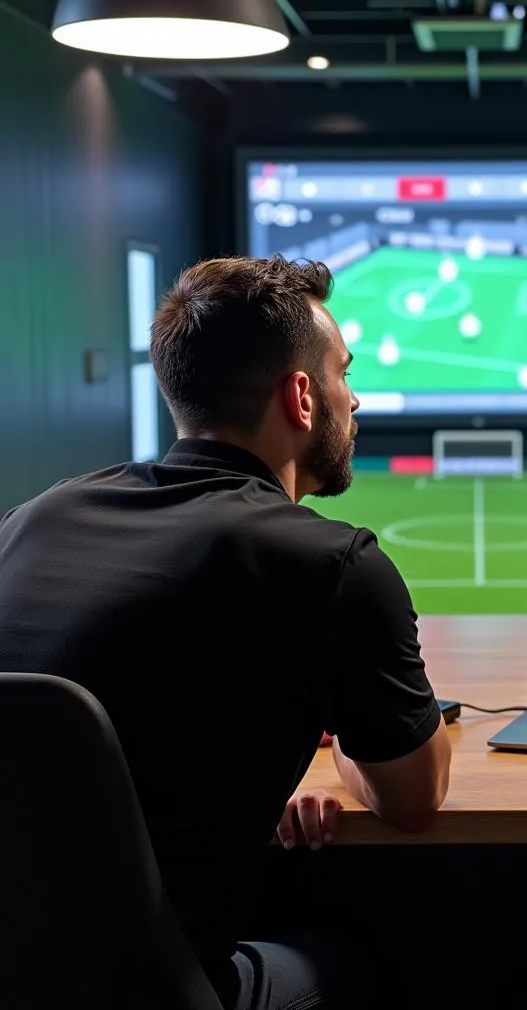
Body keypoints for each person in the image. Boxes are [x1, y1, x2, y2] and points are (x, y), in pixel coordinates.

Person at [0, 256, 451, 1010]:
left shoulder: (31, 522)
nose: (356, 395)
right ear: (302, 396)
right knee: (365, 956)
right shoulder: (330, 565)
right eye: (344, 373)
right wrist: (338, 744)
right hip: (159, 987)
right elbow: (414, 796)